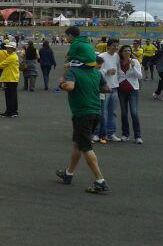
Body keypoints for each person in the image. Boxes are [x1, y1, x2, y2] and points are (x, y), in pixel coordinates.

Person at [56, 58, 110, 194]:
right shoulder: (96, 73)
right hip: (95, 111)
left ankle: (100, 180)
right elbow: (106, 88)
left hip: (82, 113)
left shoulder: (72, 72)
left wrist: (61, 84)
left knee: (85, 146)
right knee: (77, 144)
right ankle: (68, 173)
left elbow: (69, 86)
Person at [116, 45, 143, 144]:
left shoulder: (135, 62)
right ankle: (125, 134)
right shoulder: (118, 63)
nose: (127, 52)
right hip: (121, 89)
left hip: (133, 89)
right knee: (124, 113)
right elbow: (117, 74)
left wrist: (133, 66)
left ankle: (138, 136)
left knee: (134, 112)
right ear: (121, 52)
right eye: (125, 51)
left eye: (129, 51)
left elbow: (139, 76)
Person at [96, 38, 121, 143]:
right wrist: (107, 71)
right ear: (109, 46)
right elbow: (96, 70)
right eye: (114, 45)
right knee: (102, 112)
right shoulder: (102, 56)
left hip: (114, 87)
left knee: (113, 112)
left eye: (117, 45)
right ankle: (98, 133)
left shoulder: (117, 56)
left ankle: (111, 133)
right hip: (104, 88)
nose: (116, 47)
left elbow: (118, 69)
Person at [0, 41, 20, 117]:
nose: (7, 49)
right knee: (13, 96)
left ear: (12, 49)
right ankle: (14, 111)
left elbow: (2, 65)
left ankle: (9, 112)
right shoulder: (13, 56)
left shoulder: (12, 57)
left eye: (8, 48)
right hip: (13, 78)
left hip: (10, 78)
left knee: (9, 96)